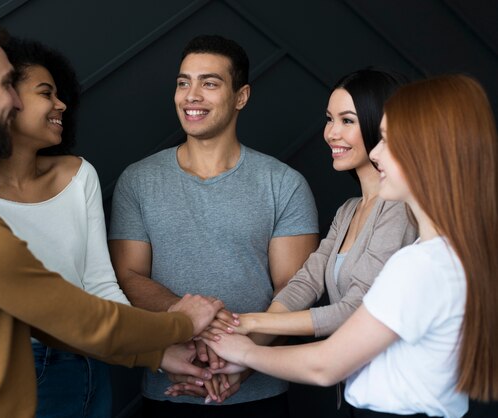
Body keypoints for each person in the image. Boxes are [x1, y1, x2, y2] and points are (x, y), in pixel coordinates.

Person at [0, 10, 224, 418]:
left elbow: (49, 321)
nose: (14, 101)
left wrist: (152, 352)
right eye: (5, 84)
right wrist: (182, 321)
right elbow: (85, 321)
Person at [205, 74, 498, 418]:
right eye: (330, 119)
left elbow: (327, 364)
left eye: (388, 140)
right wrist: (244, 338)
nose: (376, 152)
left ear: (425, 152)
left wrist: (243, 345)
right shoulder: (436, 252)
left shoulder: (420, 264)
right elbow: (308, 282)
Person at [108, 34, 319, 417]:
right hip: (167, 388)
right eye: (183, 82)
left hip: (261, 392)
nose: (191, 95)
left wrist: (243, 357)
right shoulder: (137, 180)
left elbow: (294, 288)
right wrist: (190, 317)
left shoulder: (283, 183)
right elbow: (128, 275)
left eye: (209, 83)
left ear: (241, 96)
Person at [0, 38, 126, 418]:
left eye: (59, 94)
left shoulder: (79, 175)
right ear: (4, 98)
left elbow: (100, 283)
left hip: (92, 358)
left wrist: (149, 346)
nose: (61, 105)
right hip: (13, 369)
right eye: (45, 93)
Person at [208, 69, 416, 346]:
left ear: (380, 125)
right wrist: (243, 350)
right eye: (330, 119)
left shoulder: (398, 209)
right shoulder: (348, 211)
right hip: (351, 380)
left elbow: (357, 310)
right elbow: (306, 284)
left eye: (347, 121)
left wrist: (251, 323)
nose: (331, 133)